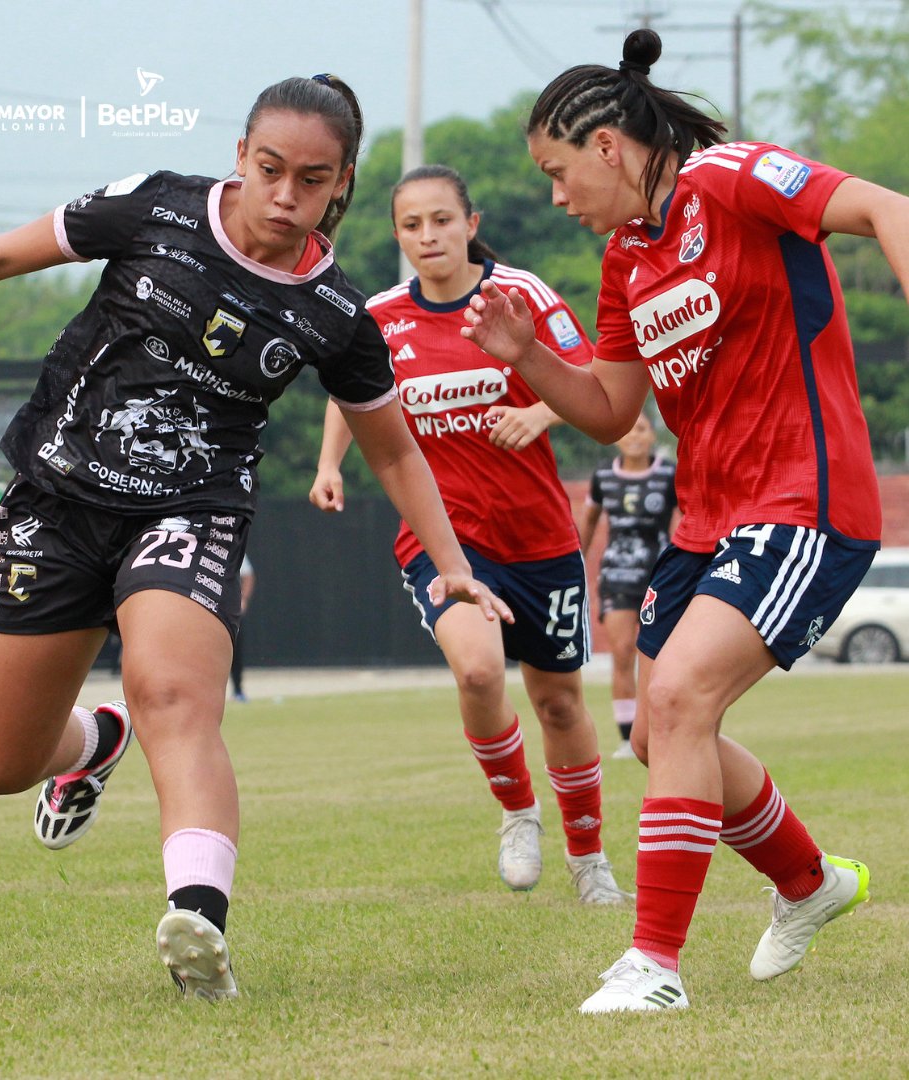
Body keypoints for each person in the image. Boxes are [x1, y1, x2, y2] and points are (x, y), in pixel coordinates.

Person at [0, 75, 512, 1003]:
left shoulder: (335, 315)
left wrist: (455, 567)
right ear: (240, 156)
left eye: (312, 180)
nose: (286, 195)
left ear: (341, 184)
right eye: (270, 168)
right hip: (55, 500)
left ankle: (199, 924)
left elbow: (393, 452)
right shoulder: (154, 207)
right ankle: (92, 742)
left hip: (192, 509)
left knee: (175, 696)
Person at [462, 27, 896, 1012]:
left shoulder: (733, 177)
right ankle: (808, 882)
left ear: (608, 147)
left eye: (559, 173)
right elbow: (612, 408)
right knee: (661, 731)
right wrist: (528, 357)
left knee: (687, 695)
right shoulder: (627, 258)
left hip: (805, 500)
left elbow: (887, 208)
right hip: (706, 521)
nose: (558, 197)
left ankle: (653, 965)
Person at [310, 164, 633, 905]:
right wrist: (330, 464)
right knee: (481, 672)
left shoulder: (523, 296)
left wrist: (541, 413)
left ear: (471, 224)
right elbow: (352, 394)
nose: (428, 236)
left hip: (540, 538)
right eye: (412, 225)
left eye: (442, 220)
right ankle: (518, 812)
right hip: (445, 540)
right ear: (397, 236)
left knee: (559, 704)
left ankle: (589, 858)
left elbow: (595, 379)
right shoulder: (381, 316)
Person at [577, 412, 677, 759]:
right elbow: (588, 523)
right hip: (617, 575)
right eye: (629, 430)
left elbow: (685, 519)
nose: (635, 436)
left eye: (642, 429)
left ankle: (660, 730)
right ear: (618, 437)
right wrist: (576, 565)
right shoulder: (604, 476)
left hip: (660, 576)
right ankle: (626, 737)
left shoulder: (669, 474)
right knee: (622, 652)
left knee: (660, 655)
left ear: (652, 436)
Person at [229, 554, 255, 702]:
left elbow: (248, 575)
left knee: (236, 651)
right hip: (208, 608)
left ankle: (238, 690)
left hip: (230, 609)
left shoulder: (233, 547)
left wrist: (243, 599)